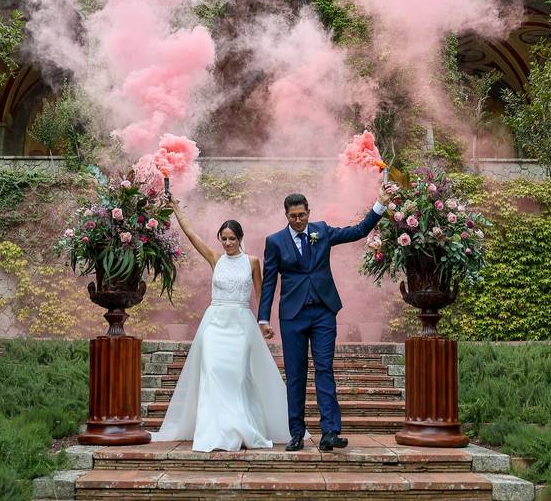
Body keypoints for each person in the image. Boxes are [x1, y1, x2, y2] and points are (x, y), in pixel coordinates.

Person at [150, 198, 291, 452]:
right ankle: (214, 432)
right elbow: (191, 235)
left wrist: (264, 322)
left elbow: (262, 296)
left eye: (232, 239)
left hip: (240, 324)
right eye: (223, 238)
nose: (227, 243)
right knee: (213, 371)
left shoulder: (252, 262)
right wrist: (178, 211)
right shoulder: (215, 258)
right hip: (214, 325)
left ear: (240, 239)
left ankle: (240, 427)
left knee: (237, 376)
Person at [258, 183, 392, 451]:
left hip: (323, 312)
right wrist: (263, 319)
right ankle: (296, 433)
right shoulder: (275, 242)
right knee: (295, 374)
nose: (298, 220)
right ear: (286, 215)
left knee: (324, 369)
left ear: (309, 212)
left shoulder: (322, 230)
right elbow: (270, 282)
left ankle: (330, 432)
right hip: (292, 315)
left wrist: (380, 203)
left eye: (302, 215)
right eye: (293, 216)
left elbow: (358, 231)